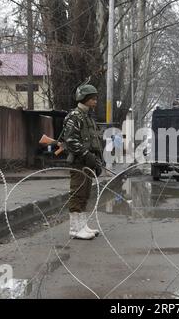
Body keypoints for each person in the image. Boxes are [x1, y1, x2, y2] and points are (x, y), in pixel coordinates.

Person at [62, 83, 103, 240]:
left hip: (88, 162)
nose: (95, 102)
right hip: (79, 162)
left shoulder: (87, 117)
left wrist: (97, 159)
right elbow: (70, 140)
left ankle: (82, 226)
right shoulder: (75, 116)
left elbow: (94, 141)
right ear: (84, 99)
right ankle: (74, 229)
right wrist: (87, 154)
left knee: (85, 194)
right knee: (77, 194)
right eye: (92, 99)